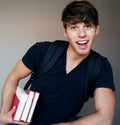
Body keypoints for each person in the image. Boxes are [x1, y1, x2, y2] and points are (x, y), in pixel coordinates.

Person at [0, 0, 115, 125]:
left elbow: (105, 118)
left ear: (96, 29)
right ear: (65, 32)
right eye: (74, 27)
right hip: (26, 122)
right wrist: (3, 114)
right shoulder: (42, 51)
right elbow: (13, 77)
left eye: (87, 26)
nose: (82, 34)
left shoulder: (100, 66)